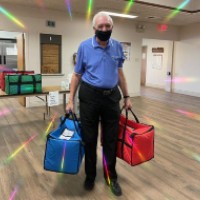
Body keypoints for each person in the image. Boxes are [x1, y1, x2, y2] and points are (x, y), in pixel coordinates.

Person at [66, 11, 132, 196]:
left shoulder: (117, 47)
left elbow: (120, 73)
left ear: (112, 27)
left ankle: (111, 177)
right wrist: (70, 100)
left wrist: (127, 96)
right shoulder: (84, 47)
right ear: (94, 28)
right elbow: (77, 75)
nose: (104, 29)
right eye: (100, 27)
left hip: (111, 97)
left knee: (111, 139)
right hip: (89, 97)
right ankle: (90, 176)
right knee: (89, 139)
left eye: (107, 26)